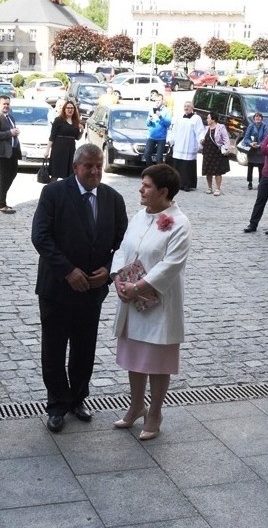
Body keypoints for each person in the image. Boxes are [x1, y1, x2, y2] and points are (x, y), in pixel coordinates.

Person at [31, 144, 127, 433]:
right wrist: (68, 271)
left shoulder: (113, 198)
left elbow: (124, 243)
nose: (95, 171)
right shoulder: (54, 194)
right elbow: (41, 237)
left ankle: (78, 398)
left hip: (92, 290)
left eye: (99, 166)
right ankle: (57, 404)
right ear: (76, 167)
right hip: (57, 289)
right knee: (54, 348)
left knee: (85, 348)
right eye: (89, 166)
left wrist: (109, 272)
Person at [111, 164, 190, 440]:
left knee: (156, 360)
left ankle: (155, 411)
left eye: (146, 186)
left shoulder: (179, 223)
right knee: (135, 357)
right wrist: (117, 278)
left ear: (163, 192)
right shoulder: (138, 216)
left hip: (159, 304)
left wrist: (139, 287)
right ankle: (136, 406)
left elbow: (171, 264)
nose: (140, 189)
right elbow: (123, 248)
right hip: (132, 300)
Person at [0, 96, 21, 213]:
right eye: (4, 104)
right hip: (1, 152)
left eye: (8, 104)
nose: (6, 106)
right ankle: (1, 204)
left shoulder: (10, 117)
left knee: (12, 174)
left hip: (12, 151)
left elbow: (11, 132)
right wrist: (10, 133)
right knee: (4, 178)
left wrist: (15, 132)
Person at [167, 101, 205, 191]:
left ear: (192, 108)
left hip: (189, 145)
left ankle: (187, 184)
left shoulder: (196, 118)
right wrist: (171, 139)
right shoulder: (179, 117)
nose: (186, 108)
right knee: (178, 164)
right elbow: (174, 130)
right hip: (179, 144)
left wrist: (201, 139)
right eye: (185, 106)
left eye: (188, 106)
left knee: (187, 166)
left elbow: (200, 131)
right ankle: (177, 184)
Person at [45, 99, 81, 181]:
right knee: (56, 173)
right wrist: (47, 151)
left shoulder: (75, 121)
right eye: (68, 108)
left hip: (70, 150)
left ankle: (65, 192)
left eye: (72, 108)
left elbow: (77, 137)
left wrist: (81, 131)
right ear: (64, 109)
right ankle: (52, 191)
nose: (70, 110)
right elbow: (52, 136)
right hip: (59, 149)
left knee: (69, 174)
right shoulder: (58, 120)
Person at [201, 112, 230, 196]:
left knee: (218, 171)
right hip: (207, 152)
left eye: (208, 118)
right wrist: (202, 141)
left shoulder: (221, 127)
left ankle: (218, 188)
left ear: (213, 119)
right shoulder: (206, 128)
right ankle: (209, 187)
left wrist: (226, 149)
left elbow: (226, 139)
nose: (207, 119)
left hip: (217, 152)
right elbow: (203, 137)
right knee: (208, 171)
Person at [241, 112, 268, 190]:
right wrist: (250, 143)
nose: (258, 118)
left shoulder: (264, 127)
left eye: (259, 117)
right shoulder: (251, 126)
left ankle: (260, 183)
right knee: (250, 166)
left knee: (261, 167)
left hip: (260, 150)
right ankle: (249, 182)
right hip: (252, 149)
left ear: (262, 118)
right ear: (254, 118)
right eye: (256, 117)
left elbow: (266, 138)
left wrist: (260, 145)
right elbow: (246, 138)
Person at [143, 93, 172, 167]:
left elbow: (168, 124)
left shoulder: (166, 111)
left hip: (161, 138)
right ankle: (151, 170)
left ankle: (160, 173)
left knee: (159, 158)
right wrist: (150, 119)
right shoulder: (152, 109)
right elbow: (147, 123)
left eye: (159, 100)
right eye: (156, 100)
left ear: (162, 101)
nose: (157, 102)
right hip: (152, 136)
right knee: (146, 154)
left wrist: (160, 117)